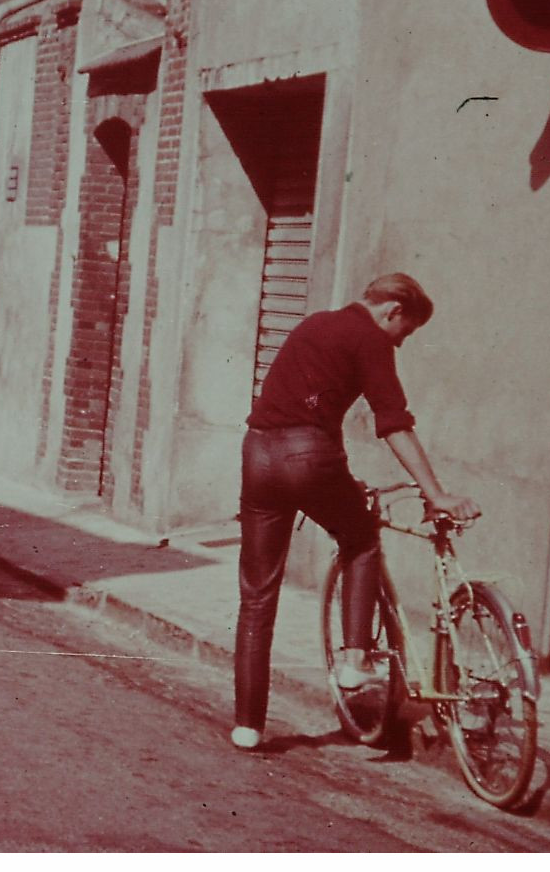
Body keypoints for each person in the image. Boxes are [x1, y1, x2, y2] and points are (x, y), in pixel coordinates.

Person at [230, 273, 478, 752]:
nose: (400, 343)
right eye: (404, 333)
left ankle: (247, 726)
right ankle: (354, 659)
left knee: (256, 596)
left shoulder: (313, 325)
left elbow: (305, 406)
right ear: (392, 312)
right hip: (309, 456)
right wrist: (437, 493)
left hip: (258, 455)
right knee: (361, 538)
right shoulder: (370, 338)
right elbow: (393, 422)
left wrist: (332, 473)